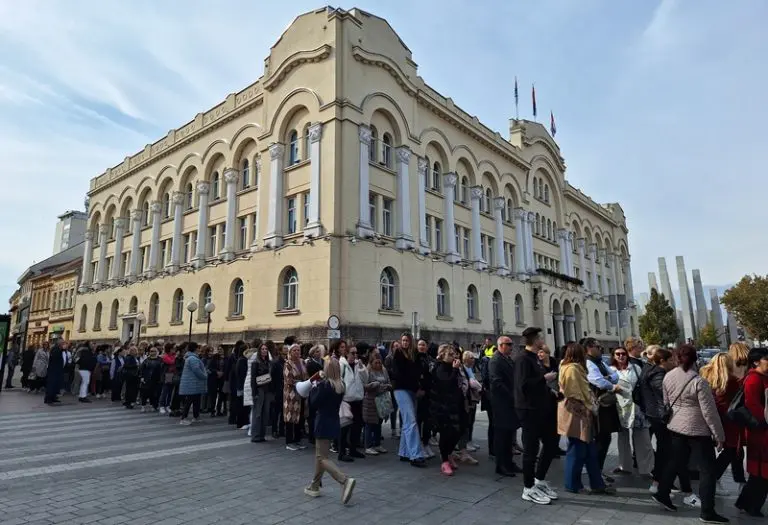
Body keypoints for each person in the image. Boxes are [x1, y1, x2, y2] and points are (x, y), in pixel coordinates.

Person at [652, 345, 727, 524]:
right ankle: (707, 511)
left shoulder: (668, 376)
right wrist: (719, 435)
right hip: (697, 429)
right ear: (695, 359)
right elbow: (709, 412)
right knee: (707, 470)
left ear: (677, 358)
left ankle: (663, 492)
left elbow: (666, 401)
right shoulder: (699, 382)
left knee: (675, 460)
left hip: (675, 426)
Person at [558, 342, 616, 495]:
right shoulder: (572, 369)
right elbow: (574, 393)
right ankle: (572, 484)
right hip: (577, 413)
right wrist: (589, 406)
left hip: (582, 412)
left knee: (589, 451)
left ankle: (597, 484)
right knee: (577, 450)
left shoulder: (573, 367)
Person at [514, 327, 558, 505]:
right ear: (534, 340)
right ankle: (528, 487)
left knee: (552, 443)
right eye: (540, 337)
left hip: (543, 407)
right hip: (529, 409)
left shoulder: (536, 358)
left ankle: (539, 479)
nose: (543, 340)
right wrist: (544, 379)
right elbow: (522, 385)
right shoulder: (523, 359)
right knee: (530, 449)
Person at [303, 358, 356, 504]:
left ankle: (344, 480)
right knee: (322, 456)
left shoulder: (324, 386)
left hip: (322, 422)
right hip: (333, 422)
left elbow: (313, 403)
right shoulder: (340, 386)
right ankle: (314, 486)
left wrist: (314, 386)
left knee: (321, 457)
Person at [699, 353, 746, 494]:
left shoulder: (706, 377)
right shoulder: (732, 382)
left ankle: (740, 480)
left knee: (734, 451)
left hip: (715, 419)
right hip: (730, 421)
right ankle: (716, 478)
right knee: (732, 451)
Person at [609, 347, 654, 476]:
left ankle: (646, 469)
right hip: (619, 407)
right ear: (614, 355)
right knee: (622, 438)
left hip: (636, 406)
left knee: (643, 438)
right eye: (617, 354)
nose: (621, 356)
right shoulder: (610, 370)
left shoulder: (635, 368)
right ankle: (625, 466)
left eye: (623, 354)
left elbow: (644, 386)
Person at [735, 347, 768, 517]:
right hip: (761, 431)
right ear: (756, 361)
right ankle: (752, 505)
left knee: (760, 473)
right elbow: (753, 405)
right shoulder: (754, 379)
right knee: (762, 472)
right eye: (766, 358)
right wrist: (764, 421)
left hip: (762, 430)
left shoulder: (761, 377)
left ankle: (745, 502)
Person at [583, 338, 620, 482]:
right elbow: (598, 381)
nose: (601, 350)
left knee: (605, 438)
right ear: (590, 348)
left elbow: (616, 375)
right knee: (600, 439)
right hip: (598, 406)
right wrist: (610, 383)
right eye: (598, 347)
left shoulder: (600, 362)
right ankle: (596, 473)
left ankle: (598, 470)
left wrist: (608, 378)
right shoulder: (588, 363)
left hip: (606, 405)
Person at [390, 332, 426, 468]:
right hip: (400, 389)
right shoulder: (398, 354)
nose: (405, 342)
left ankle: (404, 452)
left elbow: (417, 372)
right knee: (411, 420)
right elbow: (399, 374)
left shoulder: (414, 355)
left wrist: (417, 385)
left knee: (408, 421)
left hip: (411, 389)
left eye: (407, 340)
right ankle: (416, 455)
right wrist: (415, 381)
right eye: (403, 340)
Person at [430, 344, 467, 476]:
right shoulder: (439, 367)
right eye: (450, 355)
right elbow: (446, 383)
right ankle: (444, 460)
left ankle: (449, 453)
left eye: (454, 354)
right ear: (443, 356)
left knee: (459, 430)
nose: (454, 357)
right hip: (443, 407)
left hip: (455, 405)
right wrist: (455, 370)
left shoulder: (453, 367)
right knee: (446, 433)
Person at [489, 335, 520, 477]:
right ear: (501, 345)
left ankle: (509, 462)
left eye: (511, 344)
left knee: (509, 434)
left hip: (509, 403)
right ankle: (501, 465)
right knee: (501, 435)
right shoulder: (495, 360)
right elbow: (496, 382)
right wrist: (511, 395)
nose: (511, 347)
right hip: (501, 403)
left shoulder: (507, 359)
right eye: (508, 344)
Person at [339, 343, 366, 461]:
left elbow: (366, 379)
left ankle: (353, 449)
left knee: (357, 426)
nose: (355, 355)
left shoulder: (358, 365)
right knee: (344, 427)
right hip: (346, 400)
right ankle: (342, 453)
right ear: (347, 353)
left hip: (358, 399)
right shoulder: (342, 365)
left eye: (356, 353)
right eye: (352, 353)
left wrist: (361, 368)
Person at [361, 349, 390, 456]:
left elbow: (389, 382)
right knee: (369, 424)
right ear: (371, 363)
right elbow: (365, 386)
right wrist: (374, 384)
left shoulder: (384, 370)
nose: (378, 364)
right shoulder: (368, 371)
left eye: (379, 362)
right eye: (375, 362)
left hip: (382, 400)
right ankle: (368, 446)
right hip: (371, 401)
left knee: (379, 423)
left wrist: (387, 386)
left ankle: (377, 444)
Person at [284, 343, 308, 451]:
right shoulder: (287, 364)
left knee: (300, 417)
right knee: (290, 417)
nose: (297, 352)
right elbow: (288, 380)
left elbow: (306, 375)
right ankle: (289, 442)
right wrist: (300, 383)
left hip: (301, 393)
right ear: (290, 352)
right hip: (291, 394)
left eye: (298, 350)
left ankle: (297, 440)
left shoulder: (303, 362)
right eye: (294, 350)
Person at [415, 338, 435, 459]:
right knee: (418, 420)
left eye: (424, 344)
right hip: (419, 393)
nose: (422, 347)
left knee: (428, 420)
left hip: (429, 393)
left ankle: (426, 442)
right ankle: (418, 444)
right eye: (420, 344)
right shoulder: (415, 359)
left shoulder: (429, 359)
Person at [250, 343, 273, 443]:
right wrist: (254, 393)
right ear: (259, 351)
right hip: (259, 389)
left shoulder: (269, 362)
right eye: (262, 349)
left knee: (265, 413)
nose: (264, 350)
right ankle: (255, 435)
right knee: (257, 413)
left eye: (266, 349)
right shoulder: (255, 363)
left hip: (268, 390)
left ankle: (262, 435)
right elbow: (253, 379)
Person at [179, 342, 208, 425]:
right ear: (195, 349)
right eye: (198, 348)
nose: (199, 350)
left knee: (196, 400)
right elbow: (197, 370)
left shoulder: (191, 358)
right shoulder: (193, 358)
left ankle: (196, 416)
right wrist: (205, 376)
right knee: (190, 401)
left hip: (194, 383)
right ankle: (183, 418)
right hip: (192, 383)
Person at [305, 344, 325, 444]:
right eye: (316, 351)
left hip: (322, 388)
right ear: (312, 353)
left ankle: (318, 432)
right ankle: (311, 436)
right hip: (314, 389)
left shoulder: (324, 361)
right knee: (312, 414)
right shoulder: (310, 364)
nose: (319, 353)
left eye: (319, 351)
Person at [139, 346, 163, 412]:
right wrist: (142, 377)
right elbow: (142, 369)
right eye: (151, 351)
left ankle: (154, 406)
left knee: (155, 393)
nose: (153, 352)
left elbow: (162, 370)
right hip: (147, 379)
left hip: (156, 379)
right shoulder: (146, 360)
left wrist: (161, 378)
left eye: (154, 351)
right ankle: (143, 406)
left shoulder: (160, 360)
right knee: (145, 393)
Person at [44, 340, 65, 405]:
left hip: (56, 370)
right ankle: (48, 398)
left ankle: (53, 397)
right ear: (59, 344)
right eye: (62, 343)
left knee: (55, 385)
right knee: (52, 385)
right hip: (54, 370)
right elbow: (55, 361)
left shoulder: (57, 350)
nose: (63, 345)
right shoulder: (56, 350)